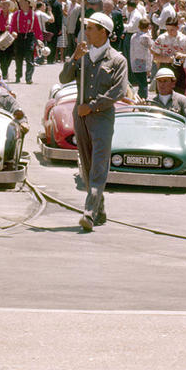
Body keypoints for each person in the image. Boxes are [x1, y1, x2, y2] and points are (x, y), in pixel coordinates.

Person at [59, 12, 128, 232]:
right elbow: (63, 79)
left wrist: (93, 105)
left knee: (99, 164)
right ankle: (100, 208)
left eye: (90, 28)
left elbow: (118, 90)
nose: (85, 32)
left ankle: (89, 211)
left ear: (103, 32)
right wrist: (74, 58)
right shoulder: (83, 54)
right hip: (80, 117)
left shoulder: (117, 60)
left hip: (101, 117)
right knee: (87, 165)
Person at [148, 67, 186, 143]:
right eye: (159, 81)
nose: (162, 84)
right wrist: (140, 109)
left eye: (165, 81)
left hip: (176, 138)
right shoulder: (150, 102)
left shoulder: (181, 100)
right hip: (156, 139)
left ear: (173, 83)